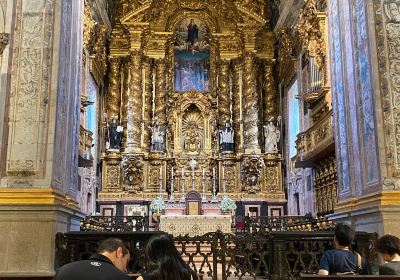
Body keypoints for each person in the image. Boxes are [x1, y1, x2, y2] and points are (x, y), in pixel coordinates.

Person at [54, 238, 131, 280]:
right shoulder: (121, 277)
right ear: (119, 252)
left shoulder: (63, 270)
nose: (125, 270)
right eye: (126, 262)